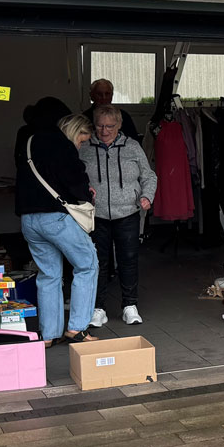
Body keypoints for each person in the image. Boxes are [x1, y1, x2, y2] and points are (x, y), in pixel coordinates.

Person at [15, 101, 100, 346]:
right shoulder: (62, 144)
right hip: (56, 219)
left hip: (29, 219)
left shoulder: (29, 140)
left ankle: (49, 334)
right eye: (82, 140)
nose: (81, 145)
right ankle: (77, 329)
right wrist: (86, 193)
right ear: (73, 130)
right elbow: (74, 180)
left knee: (49, 274)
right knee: (87, 265)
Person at [81, 105, 157, 326]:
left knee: (128, 260)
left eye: (110, 126)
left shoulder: (132, 147)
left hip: (127, 212)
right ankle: (98, 308)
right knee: (97, 262)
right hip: (96, 215)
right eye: (100, 126)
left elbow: (149, 176)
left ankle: (129, 306)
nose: (104, 131)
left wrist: (147, 196)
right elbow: (73, 176)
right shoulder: (84, 147)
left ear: (119, 125)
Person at [85, 78, 142, 145]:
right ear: (91, 96)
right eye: (99, 94)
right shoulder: (84, 119)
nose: (104, 98)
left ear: (112, 96)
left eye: (107, 94)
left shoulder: (123, 116)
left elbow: (133, 141)